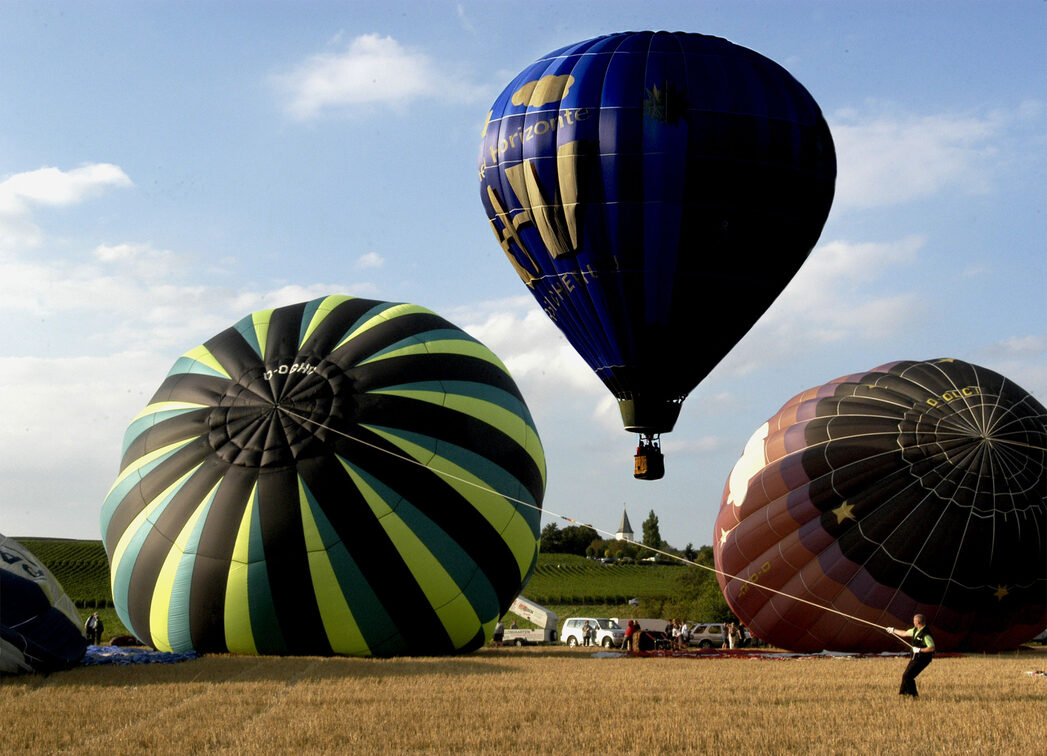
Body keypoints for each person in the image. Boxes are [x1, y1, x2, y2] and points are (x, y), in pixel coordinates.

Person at [887, 614, 936, 697]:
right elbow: (904, 633)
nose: (913, 622)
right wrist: (893, 630)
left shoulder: (926, 634)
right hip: (915, 658)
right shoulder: (914, 630)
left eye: (914, 620)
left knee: (908, 676)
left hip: (923, 659)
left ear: (918, 622)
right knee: (906, 675)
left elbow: (932, 648)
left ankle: (913, 695)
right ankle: (903, 694)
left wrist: (920, 650)